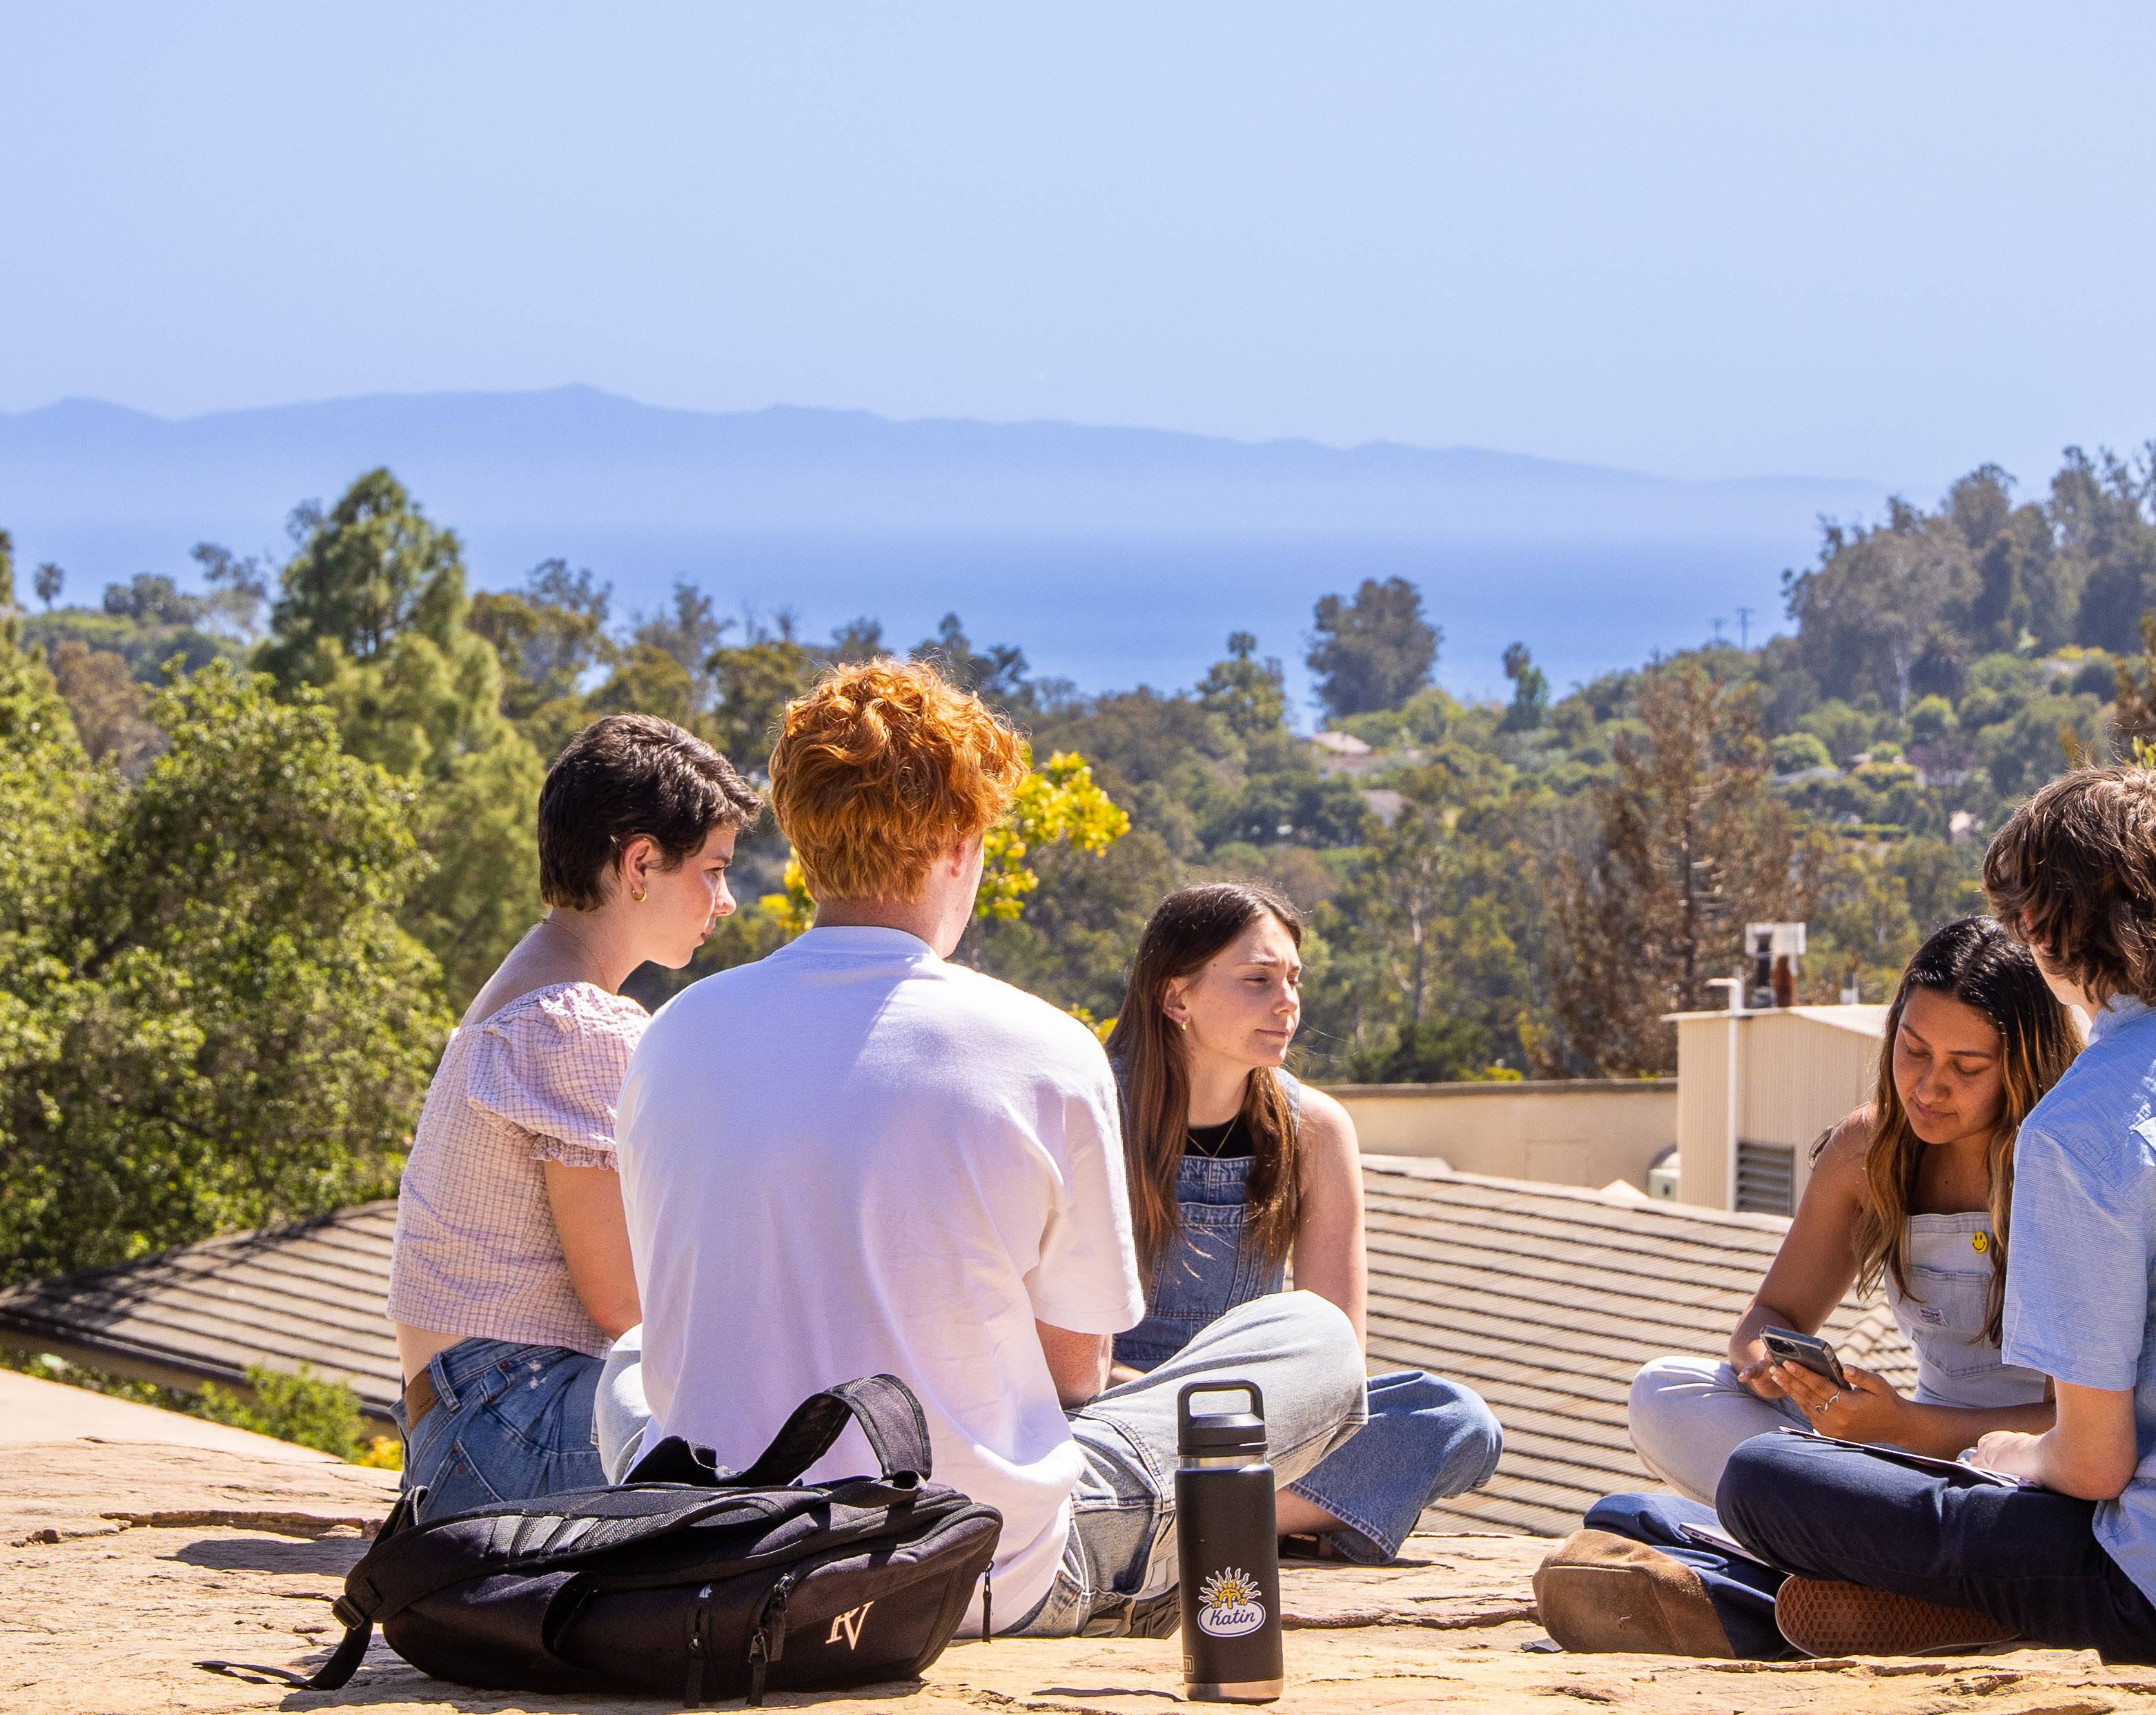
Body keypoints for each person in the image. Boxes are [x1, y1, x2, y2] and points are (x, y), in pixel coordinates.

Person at [605, 657, 1366, 1636]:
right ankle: (1139, 1566)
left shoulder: (673, 1034)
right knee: (1314, 1340)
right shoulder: (1044, 1050)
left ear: (797, 842)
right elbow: (1075, 1380)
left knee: (625, 1363)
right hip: (975, 1575)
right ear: (962, 848)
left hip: (724, 1549)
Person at [1716, 765, 2156, 1665]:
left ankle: (1956, 1615)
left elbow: (2091, 1467)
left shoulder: (2087, 1125)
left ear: (2041, 930)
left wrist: (2001, 1462)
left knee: (1764, 1482)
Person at [385, 712, 756, 1519]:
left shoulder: (521, 993)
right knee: (800, 1422)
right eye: (715, 870)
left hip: (465, 1421)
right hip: (505, 1427)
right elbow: (623, 1301)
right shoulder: (575, 1023)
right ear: (641, 862)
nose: (724, 902)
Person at [1620, 915, 2080, 1505]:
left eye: (1966, 1068)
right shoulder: (1866, 1149)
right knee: (1664, 1393)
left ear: (2026, 1067)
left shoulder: (2065, 1171)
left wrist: (1904, 1430)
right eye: (1913, 1051)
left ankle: (1846, 1531)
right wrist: (1776, 1366)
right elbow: (1773, 1312)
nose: (1928, 1088)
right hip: (1902, 1454)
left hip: (2025, 1477)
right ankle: (1861, 1531)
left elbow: (2078, 1428)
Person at [1106, 884, 1502, 1558]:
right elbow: (1053, 1356)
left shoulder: (1315, 1128)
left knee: (1452, 1419)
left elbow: (1337, 1354)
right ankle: (1234, 1516)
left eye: (1293, 979)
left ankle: (1159, 1523)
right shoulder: (1087, 1109)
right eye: (1258, 981)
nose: (1287, 1001)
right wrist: (1169, 1406)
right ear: (1177, 998)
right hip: (1113, 1409)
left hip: (1253, 1418)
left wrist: (1249, 1421)